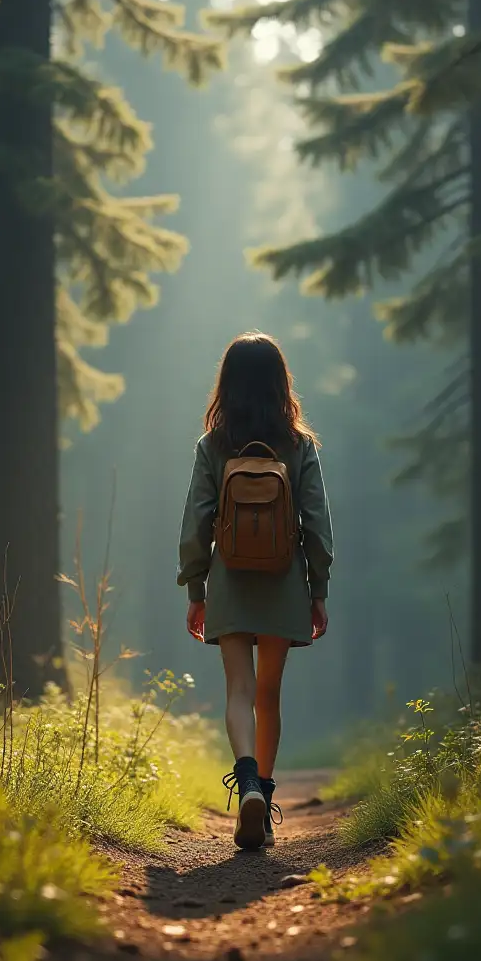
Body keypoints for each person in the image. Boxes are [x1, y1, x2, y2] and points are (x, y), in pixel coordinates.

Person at [177, 332, 334, 851]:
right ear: (280, 382)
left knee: (238, 691)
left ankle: (245, 783)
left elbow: (197, 520)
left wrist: (196, 585)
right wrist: (318, 589)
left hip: (229, 581)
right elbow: (316, 521)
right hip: (284, 580)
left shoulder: (212, 445)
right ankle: (262, 801)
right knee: (269, 695)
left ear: (226, 384)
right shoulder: (299, 445)